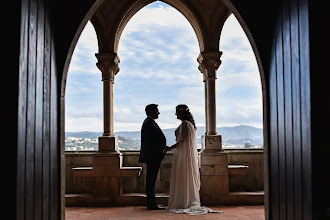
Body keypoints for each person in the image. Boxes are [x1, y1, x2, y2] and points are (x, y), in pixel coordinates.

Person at [163, 104, 223, 215]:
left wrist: (169, 148)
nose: (176, 114)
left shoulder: (186, 124)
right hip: (183, 155)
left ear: (181, 112)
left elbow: (183, 142)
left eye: (177, 111)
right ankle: (185, 200)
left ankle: (184, 202)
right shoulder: (188, 124)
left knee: (183, 176)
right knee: (184, 177)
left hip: (183, 157)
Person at [139, 104, 166, 210]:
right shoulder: (149, 123)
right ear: (151, 111)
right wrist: (160, 152)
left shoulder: (149, 122)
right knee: (151, 180)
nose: (158, 113)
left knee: (151, 180)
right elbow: (151, 142)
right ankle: (151, 203)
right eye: (157, 111)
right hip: (153, 157)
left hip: (153, 156)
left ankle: (152, 203)